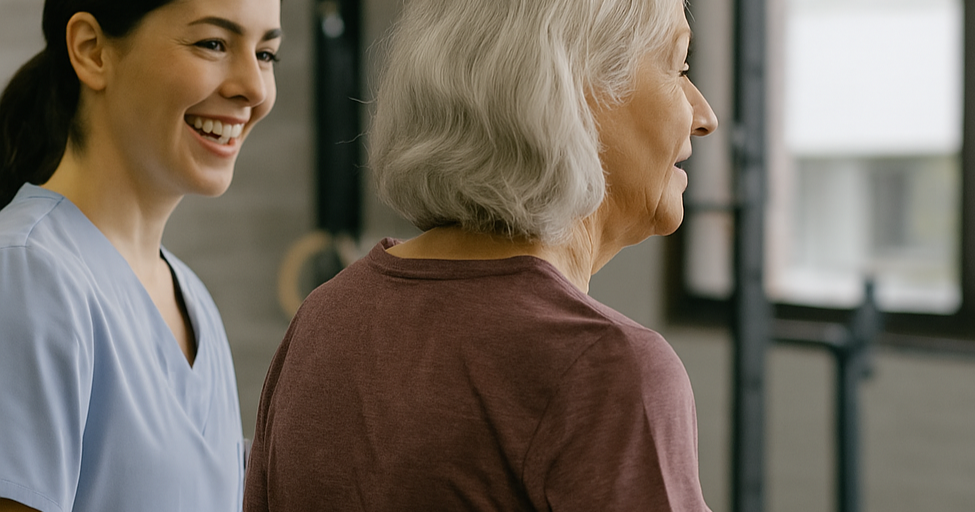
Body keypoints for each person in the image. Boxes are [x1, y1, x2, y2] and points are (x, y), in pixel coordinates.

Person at [244, 0, 717, 509]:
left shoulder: (325, 319)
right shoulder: (609, 369)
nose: (704, 115)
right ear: (576, 85)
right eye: (679, 67)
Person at [0, 0, 280, 510]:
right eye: (213, 43)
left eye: (266, 54)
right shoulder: (26, 272)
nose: (255, 88)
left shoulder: (192, 300)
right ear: (92, 51)